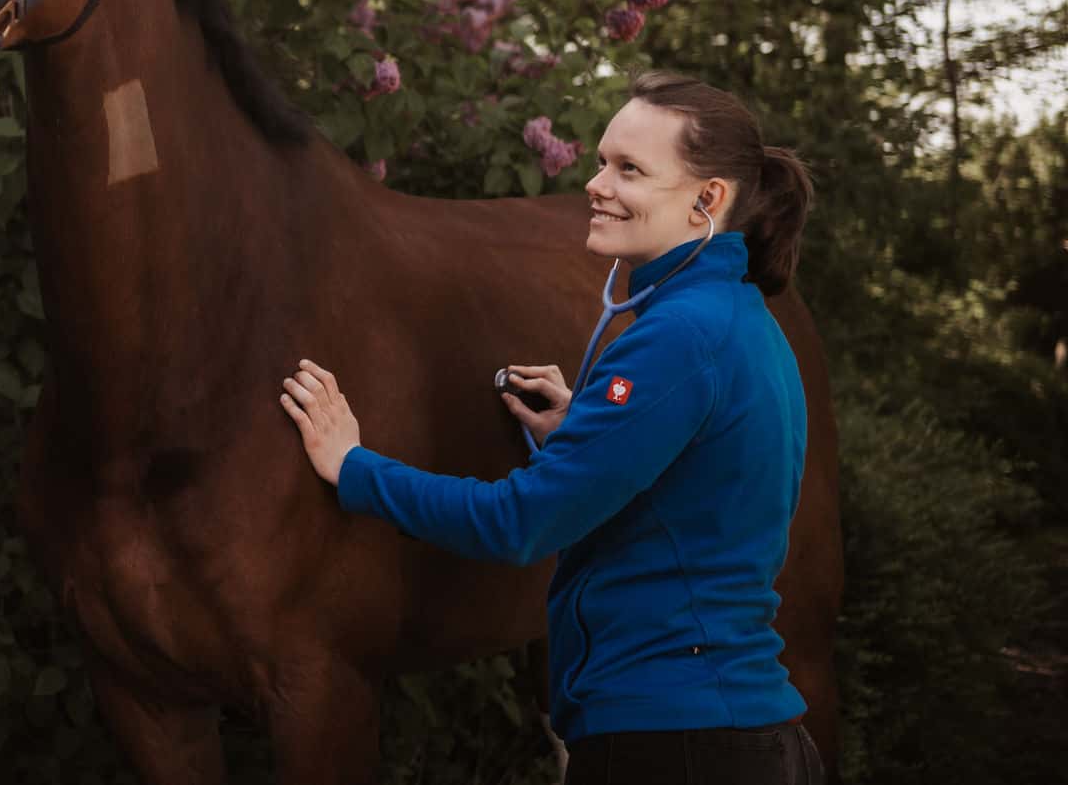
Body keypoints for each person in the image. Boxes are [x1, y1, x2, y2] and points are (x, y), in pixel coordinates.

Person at [279, 71, 825, 785]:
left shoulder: (678, 339)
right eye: (602, 161)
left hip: (675, 746)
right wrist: (585, 426)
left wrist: (353, 466)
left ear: (707, 200)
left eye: (629, 169)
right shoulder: (737, 318)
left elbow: (521, 523)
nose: (596, 185)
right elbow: (703, 478)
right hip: (737, 733)